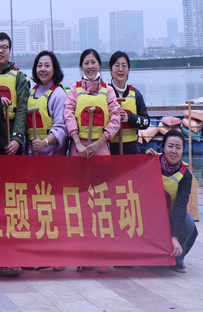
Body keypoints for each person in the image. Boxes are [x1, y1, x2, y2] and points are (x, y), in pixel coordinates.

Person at [65, 48, 120, 275]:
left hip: (101, 150)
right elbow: (68, 113)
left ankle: (102, 256)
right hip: (78, 151)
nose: (90, 66)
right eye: (86, 62)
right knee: (80, 206)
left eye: (94, 62)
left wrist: (99, 143)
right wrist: (77, 142)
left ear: (99, 65)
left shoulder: (108, 91)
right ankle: (83, 256)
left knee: (102, 204)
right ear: (81, 66)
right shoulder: (74, 89)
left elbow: (115, 118)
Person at [146, 130, 198, 273]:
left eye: (178, 147)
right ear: (163, 147)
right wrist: (143, 158)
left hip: (170, 218)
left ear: (183, 150)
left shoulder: (186, 175)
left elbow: (181, 206)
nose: (174, 151)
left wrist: (175, 237)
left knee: (188, 222)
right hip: (149, 219)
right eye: (170, 146)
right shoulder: (151, 162)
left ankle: (177, 259)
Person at [0, 32, 28, 155]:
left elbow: (22, 109)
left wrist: (17, 138)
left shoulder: (19, 76)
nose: (0, 51)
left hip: (11, 140)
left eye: (4, 47)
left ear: (10, 51)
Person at [27, 51, 69, 157]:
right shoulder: (31, 91)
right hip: (34, 154)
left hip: (53, 155)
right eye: (39, 66)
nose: (43, 69)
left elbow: (61, 128)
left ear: (54, 69)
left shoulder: (58, 94)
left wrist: (44, 142)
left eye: (47, 65)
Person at [108, 51, 150, 155]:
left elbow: (146, 122)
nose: (120, 69)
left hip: (131, 150)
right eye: (117, 65)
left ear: (128, 70)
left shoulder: (135, 94)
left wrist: (129, 117)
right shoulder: (104, 93)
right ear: (110, 70)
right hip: (108, 150)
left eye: (124, 66)